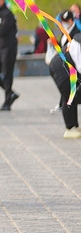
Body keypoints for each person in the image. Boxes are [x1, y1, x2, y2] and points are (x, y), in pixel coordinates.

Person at [50, 10, 81, 139]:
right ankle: (70, 128)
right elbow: (80, 64)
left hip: (67, 66)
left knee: (72, 95)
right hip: (61, 68)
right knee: (68, 95)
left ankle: (74, 126)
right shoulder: (78, 42)